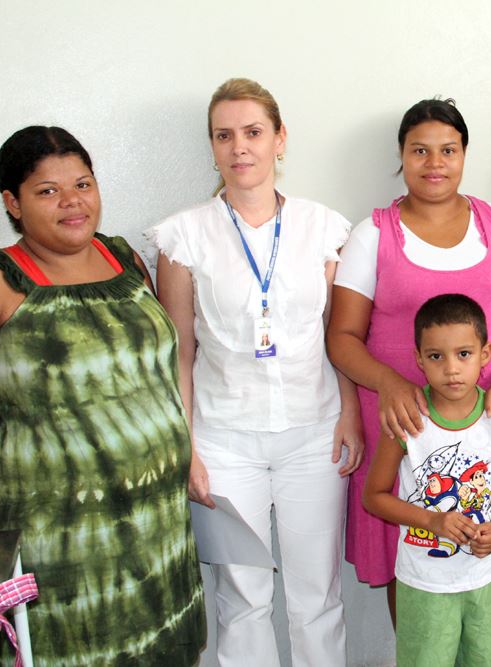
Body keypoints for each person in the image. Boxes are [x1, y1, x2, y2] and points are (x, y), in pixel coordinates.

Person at [0, 126, 205, 665]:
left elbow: (157, 373)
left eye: (82, 183)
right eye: (47, 191)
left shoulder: (125, 260)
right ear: (12, 202)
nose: (72, 202)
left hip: (156, 530)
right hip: (53, 551)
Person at [150, 78, 362, 667]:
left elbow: (335, 335)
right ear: (213, 146)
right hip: (223, 441)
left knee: (315, 594)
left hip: (313, 435)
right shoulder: (182, 236)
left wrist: (349, 412)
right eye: (224, 135)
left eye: (252, 132)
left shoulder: (324, 227)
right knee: (242, 596)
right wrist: (187, 446)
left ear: (279, 140)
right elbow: (181, 351)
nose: (239, 147)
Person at [328, 98, 491, 615]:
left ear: (465, 154)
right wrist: (389, 383)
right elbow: (341, 336)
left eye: (448, 150)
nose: (434, 162)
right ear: (401, 156)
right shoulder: (373, 233)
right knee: (411, 563)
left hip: (487, 424)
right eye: (419, 150)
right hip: (406, 429)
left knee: (477, 558)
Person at [362, 294, 491, 667]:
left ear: (485, 354)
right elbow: (373, 497)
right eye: (437, 356)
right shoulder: (406, 420)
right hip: (424, 581)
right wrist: (433, 521)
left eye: (464, 354)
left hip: (483, 577)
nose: (452, 369)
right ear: (419, 359)